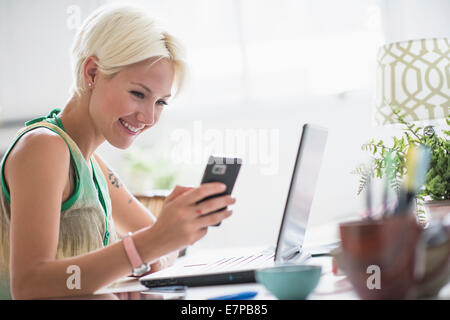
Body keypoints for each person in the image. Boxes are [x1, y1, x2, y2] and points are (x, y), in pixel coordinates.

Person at [0, 3, 235, 300]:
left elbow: (162, 244)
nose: (149, 117)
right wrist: (143, 249)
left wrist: (167, 234)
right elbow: (30, 286)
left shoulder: (89, 161)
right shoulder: (44, 148)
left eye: (161, 102)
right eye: (138, 94)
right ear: (93, 73)